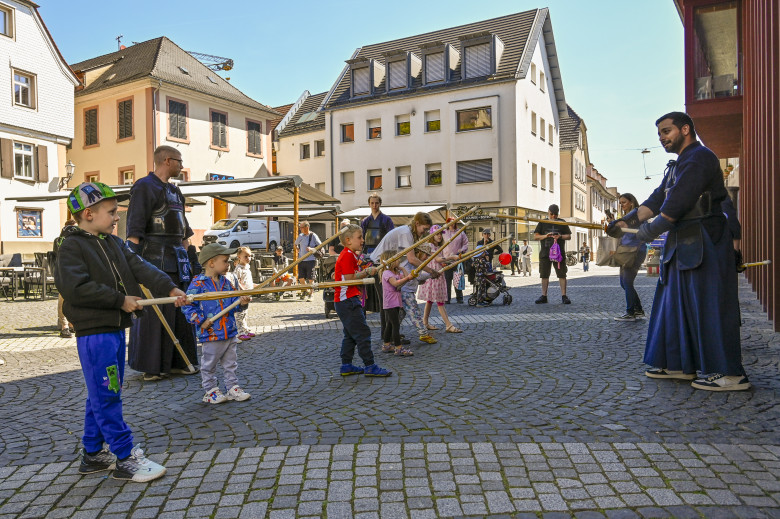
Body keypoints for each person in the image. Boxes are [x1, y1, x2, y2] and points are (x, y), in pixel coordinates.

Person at [608, 111, 749, 391]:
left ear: (685, 129)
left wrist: (648, 231)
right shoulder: (677, 166)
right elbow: (656, 200)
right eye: (659, 133)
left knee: (710, 307)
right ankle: (680, 364)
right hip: (682, 243)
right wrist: (625, 222)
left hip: (705, 241)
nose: (662, 138)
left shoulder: (700, 157)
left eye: (666, 131)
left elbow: (676, 206)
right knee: (674, 305)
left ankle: (730, 374)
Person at [56, 182, 187, 482]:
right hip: (95, 335)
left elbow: (140, 267)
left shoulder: (112, 242)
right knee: (107, 395)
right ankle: (125, 458)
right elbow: (75, 288)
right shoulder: (70, 246)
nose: (117, 218)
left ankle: (92, 454)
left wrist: (170, 288)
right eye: (112, 212)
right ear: (88, 213)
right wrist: (120, 300)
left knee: (103, 392)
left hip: (114, 330)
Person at [126, 145, 198, 381]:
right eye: (179, 161)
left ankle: (180, 362)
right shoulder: (144, 187)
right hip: (154, 260)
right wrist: (133, 264)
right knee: (156, 316)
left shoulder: (176, 191)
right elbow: (135, 230)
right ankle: (154, 366)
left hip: (178, 261)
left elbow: (184, 232)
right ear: (167, 160)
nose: (181, 166)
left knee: (181, 312)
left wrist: (190, 259)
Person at [181, 243, 252, 403]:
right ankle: (210, 390)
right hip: (211, 333)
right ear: (211, 263)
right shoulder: (198, 284)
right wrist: (200, 321)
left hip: (229, 331)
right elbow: (187, 306)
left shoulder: (226, 283)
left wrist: (241, 302)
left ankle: (232, 387)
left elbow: (234, 303)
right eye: (225, 261)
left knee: (231, 363)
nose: (228, 264)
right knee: (209, 364)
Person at [370, 212, 441, 344]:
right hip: (379, 266)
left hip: (387, 266)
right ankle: (389, 338)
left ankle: (391, 336)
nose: (425, 232)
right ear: (417, 224)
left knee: (396, 308)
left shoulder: (408, 233)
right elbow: (412, 259)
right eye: (424, 229)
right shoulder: (406, 233)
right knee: (389, 306)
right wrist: (431, 271)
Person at [334, 224, 392, 377]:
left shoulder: (350, 254)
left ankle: (346, 365)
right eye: (359, 237)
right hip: (347, 300)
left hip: (346, 300)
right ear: (348, 240)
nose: (362, 240)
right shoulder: (347, 255)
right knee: (362, 333)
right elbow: (350, 279)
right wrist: (366, 272)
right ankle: (370, 365)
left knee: (350, 335)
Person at [360, 194, 395, 337]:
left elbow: (391, 239)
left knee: (385, 297)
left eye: (376, 203)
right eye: (372, 203)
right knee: (367, 296)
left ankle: (387, 332)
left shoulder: (386, 220)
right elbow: (361, 241)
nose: (374, 205)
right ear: (369, 204)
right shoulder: (365, 221)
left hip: (382, 261)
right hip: (369, 261)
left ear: (380, 203)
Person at [419, 226, 462, 333]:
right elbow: (437, 259)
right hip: (434, 276)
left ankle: (425, 322)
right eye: (437, 234)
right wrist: (451, 257)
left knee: (430, 300)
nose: (439, 236)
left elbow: (439, 261)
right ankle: (448, 325)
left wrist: (449, 261)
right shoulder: (431, 245)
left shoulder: (438, 246)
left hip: (437, 274)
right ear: (432, 235)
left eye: (440, 234)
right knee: (440, 301)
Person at [611, 194, 647, 322]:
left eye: (624, 202)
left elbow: (636, 232)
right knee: (624, 283)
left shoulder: (636, 215)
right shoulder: (627, 217)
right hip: (626, 251)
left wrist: (616, 224)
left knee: (627, 282)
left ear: (631, 202)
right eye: (620, 203)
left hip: (634, 251)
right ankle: (638, 310)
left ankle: (631, 312)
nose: (621, 205)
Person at [533, 204, 572, 304]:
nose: (554, 216)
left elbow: (568, 236)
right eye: (552, 214)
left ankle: (564, 296)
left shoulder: (562, 222)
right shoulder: (542, 222)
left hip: (559, 253)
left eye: (556, 214)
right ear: (548, 212)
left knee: (562, 274)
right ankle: (544, 296)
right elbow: (536, 237)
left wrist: (560, 236)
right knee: (544, 274)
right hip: (545, 253)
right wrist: (545, 236)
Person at [380, 251, 414, 356]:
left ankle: (386, 345)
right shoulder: (387, 273)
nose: (399, 260)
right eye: (397, 259)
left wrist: (403, 270)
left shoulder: (395, 273)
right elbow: (395, 283)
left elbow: (407, 279)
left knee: (390, 324)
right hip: (390, 303)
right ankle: (398, 348)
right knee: (395, 325)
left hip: (395, 302)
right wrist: (407, 278)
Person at [53, 219, 76, 338]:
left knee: (73, 300)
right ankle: (64, 327)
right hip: (64, 274)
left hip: (75, 274)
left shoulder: (78, 240)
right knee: (63, 300)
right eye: (73, 228)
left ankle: (71, 325)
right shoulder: (59, 240)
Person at [442, 216, 469, 303]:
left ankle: (459, 297)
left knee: (458, 278)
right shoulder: (443, 232)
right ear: (447, 223)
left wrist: (462, 250)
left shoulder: (460, 232)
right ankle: (447, 298)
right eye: (450, 222)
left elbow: (466, 243)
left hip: (458, 259)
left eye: (453, 222)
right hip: (447, 259)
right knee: (447, 279)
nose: (452, 224)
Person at [294, 221, 321, 301]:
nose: (300, 229)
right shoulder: (300, 236)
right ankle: (306, 291)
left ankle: (311, 294)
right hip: (301, 259)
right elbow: (295, 244)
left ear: (307, 227)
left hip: (311, 259)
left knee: (311, 278)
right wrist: (297, 249)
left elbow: (320, 245)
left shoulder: (313, 235)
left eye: (301, 227)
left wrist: (312, 249)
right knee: (301, 278)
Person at [233, 246, 255, 341]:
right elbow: (236, 281)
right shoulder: (239, 269)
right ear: (239, 257)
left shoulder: (247, 268)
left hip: (248, 294)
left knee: (245, 312)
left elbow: (248, 281)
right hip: (241, 295)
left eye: (250, 256)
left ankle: (245, 329)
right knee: (240, 314)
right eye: (246, 256)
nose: (248, 258)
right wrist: (242, 291)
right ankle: (240, 332)